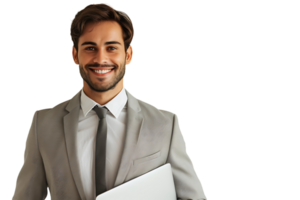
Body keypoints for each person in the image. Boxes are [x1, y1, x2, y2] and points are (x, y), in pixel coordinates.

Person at [11, 2, 208, 200]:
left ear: (129, 54)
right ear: (74, 55)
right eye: (90, 48)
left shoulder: (166, 124)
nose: (101, 58)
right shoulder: (43, 125)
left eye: (111, 47)